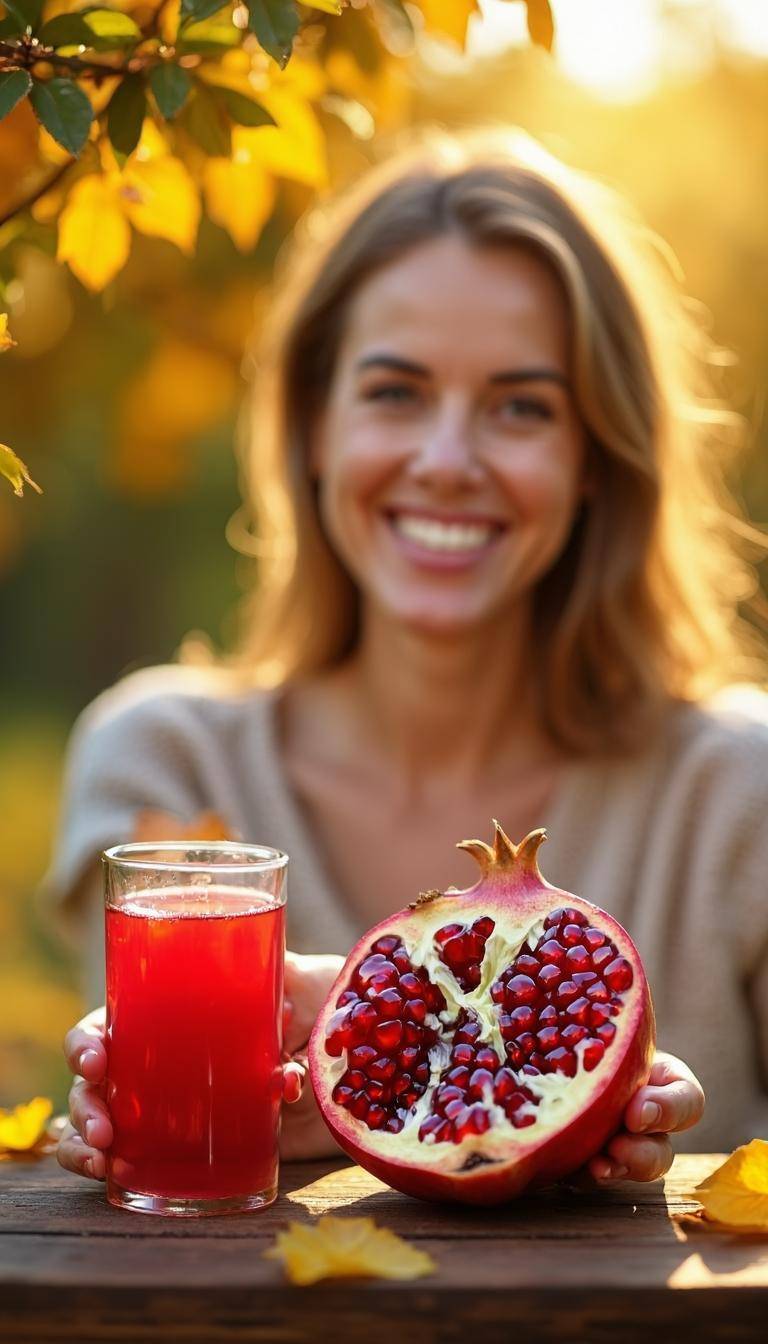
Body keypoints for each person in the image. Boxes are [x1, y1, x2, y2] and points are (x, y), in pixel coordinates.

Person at [48, 123, 768, 1191]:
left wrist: (558, 1111)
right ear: (313, 429)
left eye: (521, 406)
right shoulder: (164, 765)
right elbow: (145, 1132)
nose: (446, 462)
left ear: (594, 460)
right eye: (395, 392)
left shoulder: (739, 791)